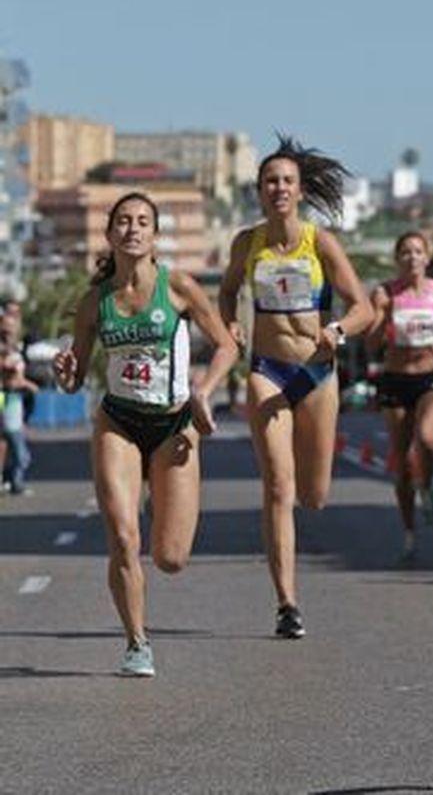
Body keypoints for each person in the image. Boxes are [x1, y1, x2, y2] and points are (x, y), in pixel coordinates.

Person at [53, 192, 239, 676]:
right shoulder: (95, 301)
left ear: (155, 235)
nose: (133, 229)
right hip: (118, 421)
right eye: (124, 222)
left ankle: (160, 497)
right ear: (111, 233)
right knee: (121, 535)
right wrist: (65, 370)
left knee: (171, 558)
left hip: (174, 424)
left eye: (142, 222)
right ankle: (137, 642)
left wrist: (205, 389)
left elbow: (225, 346)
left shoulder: (177, 286)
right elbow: (74, 374)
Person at [218, 136, 371, 639]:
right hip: (268, 371)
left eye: (286, 181)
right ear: (259, 191)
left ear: (300, 190)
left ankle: (290, 586)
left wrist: (339, 331)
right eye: (270, 181)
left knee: (314, 495)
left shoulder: (320, 242)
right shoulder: (248, 243)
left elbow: (364, 307)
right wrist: (231, 328)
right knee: (278, 487)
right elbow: (224, 297)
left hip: (317, 374)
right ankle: (287, 603)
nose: (278, 188)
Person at [367, 232, 433, 560]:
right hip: (395, 381)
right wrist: (384, 315)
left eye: (418, 251)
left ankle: (428, 484)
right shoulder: (385, 292)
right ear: (397, 259)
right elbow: (371, 342)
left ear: (427, 258)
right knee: (402, 465)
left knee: (428, 440)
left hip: (429, 377)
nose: (412, 257)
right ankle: (409, 532)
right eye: (405, 252)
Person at [0, 314, 38, 496]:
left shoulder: (16, 348)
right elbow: (10, 377)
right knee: (19, 450)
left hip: (16, 400)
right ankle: (13, 481)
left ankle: (11, 480)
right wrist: (27, 384)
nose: (10, 331)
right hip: (5, 398)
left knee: (9, 441)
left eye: (13, 326)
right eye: (7, 327)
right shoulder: (4, 349)